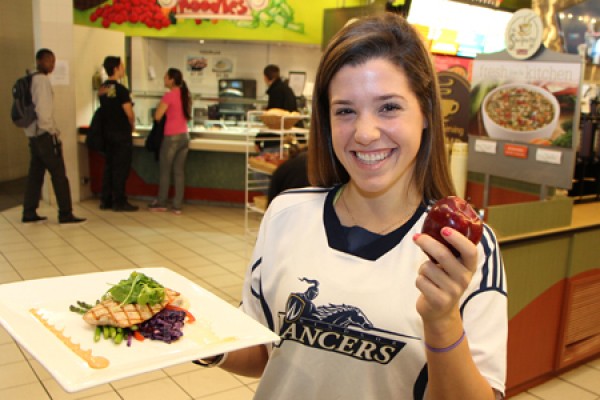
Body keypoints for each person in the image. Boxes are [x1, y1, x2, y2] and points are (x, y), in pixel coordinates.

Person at [196, 13, 507, 400]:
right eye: (345, 111)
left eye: (389, 107)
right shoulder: (286, 214)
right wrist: (195, 337)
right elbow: (263, 349)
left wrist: (442, 320)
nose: (364, 132)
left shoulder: (461, 247)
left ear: (426, 112)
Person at [22, 48, 86, 225]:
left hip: (33, 136)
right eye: (50, 61)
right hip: (44, 136)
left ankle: (28, 211)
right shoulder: (41, 81)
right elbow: (43, 111)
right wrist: (51, 131)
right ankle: (65, 213)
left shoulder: (29, 79)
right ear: (41, 61)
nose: (53, 65)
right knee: (59, 174)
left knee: (35, 174)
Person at [148, 68, 191, 215]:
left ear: (172, 79)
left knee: (165, 171)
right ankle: (177, 205)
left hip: (171, 136)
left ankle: (161, 202)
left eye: (165, 77)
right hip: (185, 136)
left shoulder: (169, 96)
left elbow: (158, 116)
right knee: (179, 172)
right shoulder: (186, 95)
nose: (164, 80)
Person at [98, 56, 138, 212]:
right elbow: (128, 113)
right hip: (121, 134)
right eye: (121, 66)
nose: (123, 69)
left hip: (107, 134)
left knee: (109, 167)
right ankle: (119, 201)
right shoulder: (121, 90)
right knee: (121, 169)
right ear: (115, 68)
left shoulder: (103, 88)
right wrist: (132, 125)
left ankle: (106, 199)